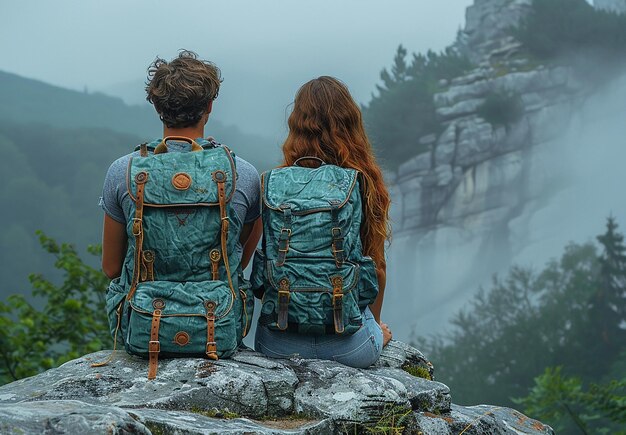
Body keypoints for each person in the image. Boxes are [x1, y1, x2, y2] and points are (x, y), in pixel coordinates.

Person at [254, 76, 392, 368]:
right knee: (376, 329)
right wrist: (375, 327)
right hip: (349, 347)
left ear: (296, 124)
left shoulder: (274, 184)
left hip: (275, 344)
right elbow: (377, 267)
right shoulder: (363, 182)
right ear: (351, 124)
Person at [101, 50, 261, 283]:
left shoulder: (123, 172)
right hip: (217, 316)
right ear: (209, 106)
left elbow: (111, 267)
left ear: (157, 107)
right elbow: (235, 260)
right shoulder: (241, 174)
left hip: (147, 317)